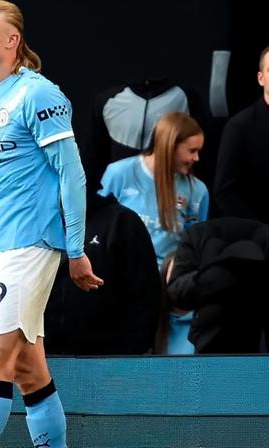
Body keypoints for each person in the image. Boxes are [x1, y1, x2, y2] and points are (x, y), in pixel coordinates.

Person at [0, 2, 103, 447]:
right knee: (28, 369)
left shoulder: (39, 94)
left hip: (29, 244)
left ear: (12, 40)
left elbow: (72, 174)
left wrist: (76, 250)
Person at [44, 188, 162, 356]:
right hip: (38, 358)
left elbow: (146, 297)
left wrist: (126, 358)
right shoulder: (30, 222)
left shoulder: (122, 221)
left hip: (107, 358)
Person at [99, 111, 209, 269]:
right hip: (121, 271)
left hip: (165, 276)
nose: (196, 158)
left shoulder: (197, 190)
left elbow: (194, 244)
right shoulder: (119, 173)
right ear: (170, 146)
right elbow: (99, 228)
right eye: (192, 151)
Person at [164, 217, 269, 354]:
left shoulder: (197, 234)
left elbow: (177, 292)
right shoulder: (198, 235)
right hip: (211, 341)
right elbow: (176, 293)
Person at [214, 46, 269, 224]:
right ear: (261, 78)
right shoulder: (239, 126)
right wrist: (260, 231)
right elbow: (224, 191)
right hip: (257, 232)